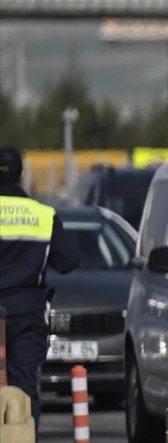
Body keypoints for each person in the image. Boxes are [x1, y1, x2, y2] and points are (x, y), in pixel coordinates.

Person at [0, 145, 79, 427]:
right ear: (21, 176)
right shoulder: (43, 215)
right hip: (26, 314)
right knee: (23, 391)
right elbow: (68, 260)